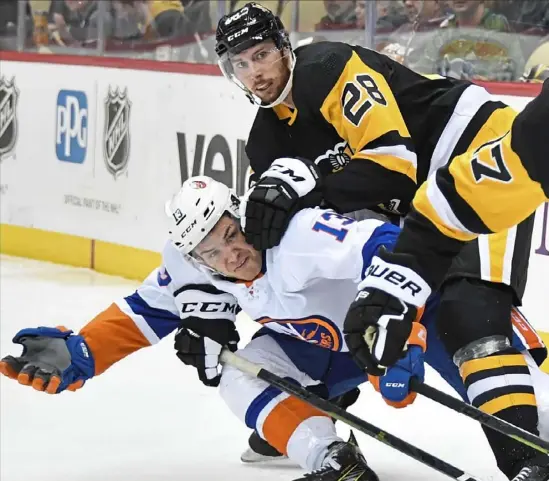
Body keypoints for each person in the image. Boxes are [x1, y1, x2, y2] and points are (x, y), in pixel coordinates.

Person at [1, 176, 548, 481]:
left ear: (242, 214)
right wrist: (83, 352)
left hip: (403, 318)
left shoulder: (303, 235)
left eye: (232, 234)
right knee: (239, 373)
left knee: (503, 385)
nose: (232, 254)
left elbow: (397, 250)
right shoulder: (194, 266)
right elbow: (143, 312)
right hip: (326, 352)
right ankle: (330, 460)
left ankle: (534, 447)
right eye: (213, 251)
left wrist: (406, 332)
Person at [214, 3, 549, 479]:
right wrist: (208, 307)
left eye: (262, 54)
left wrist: (308, 182)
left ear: (285, 49)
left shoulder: (327, 69)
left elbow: (394, 164)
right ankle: (327, 396)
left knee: (468, 308)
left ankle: (532, 457)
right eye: (241, 64)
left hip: (479, 153)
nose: (255, 73)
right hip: (422, 201)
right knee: (369, 298)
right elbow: (278, 244)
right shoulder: (265, 142)